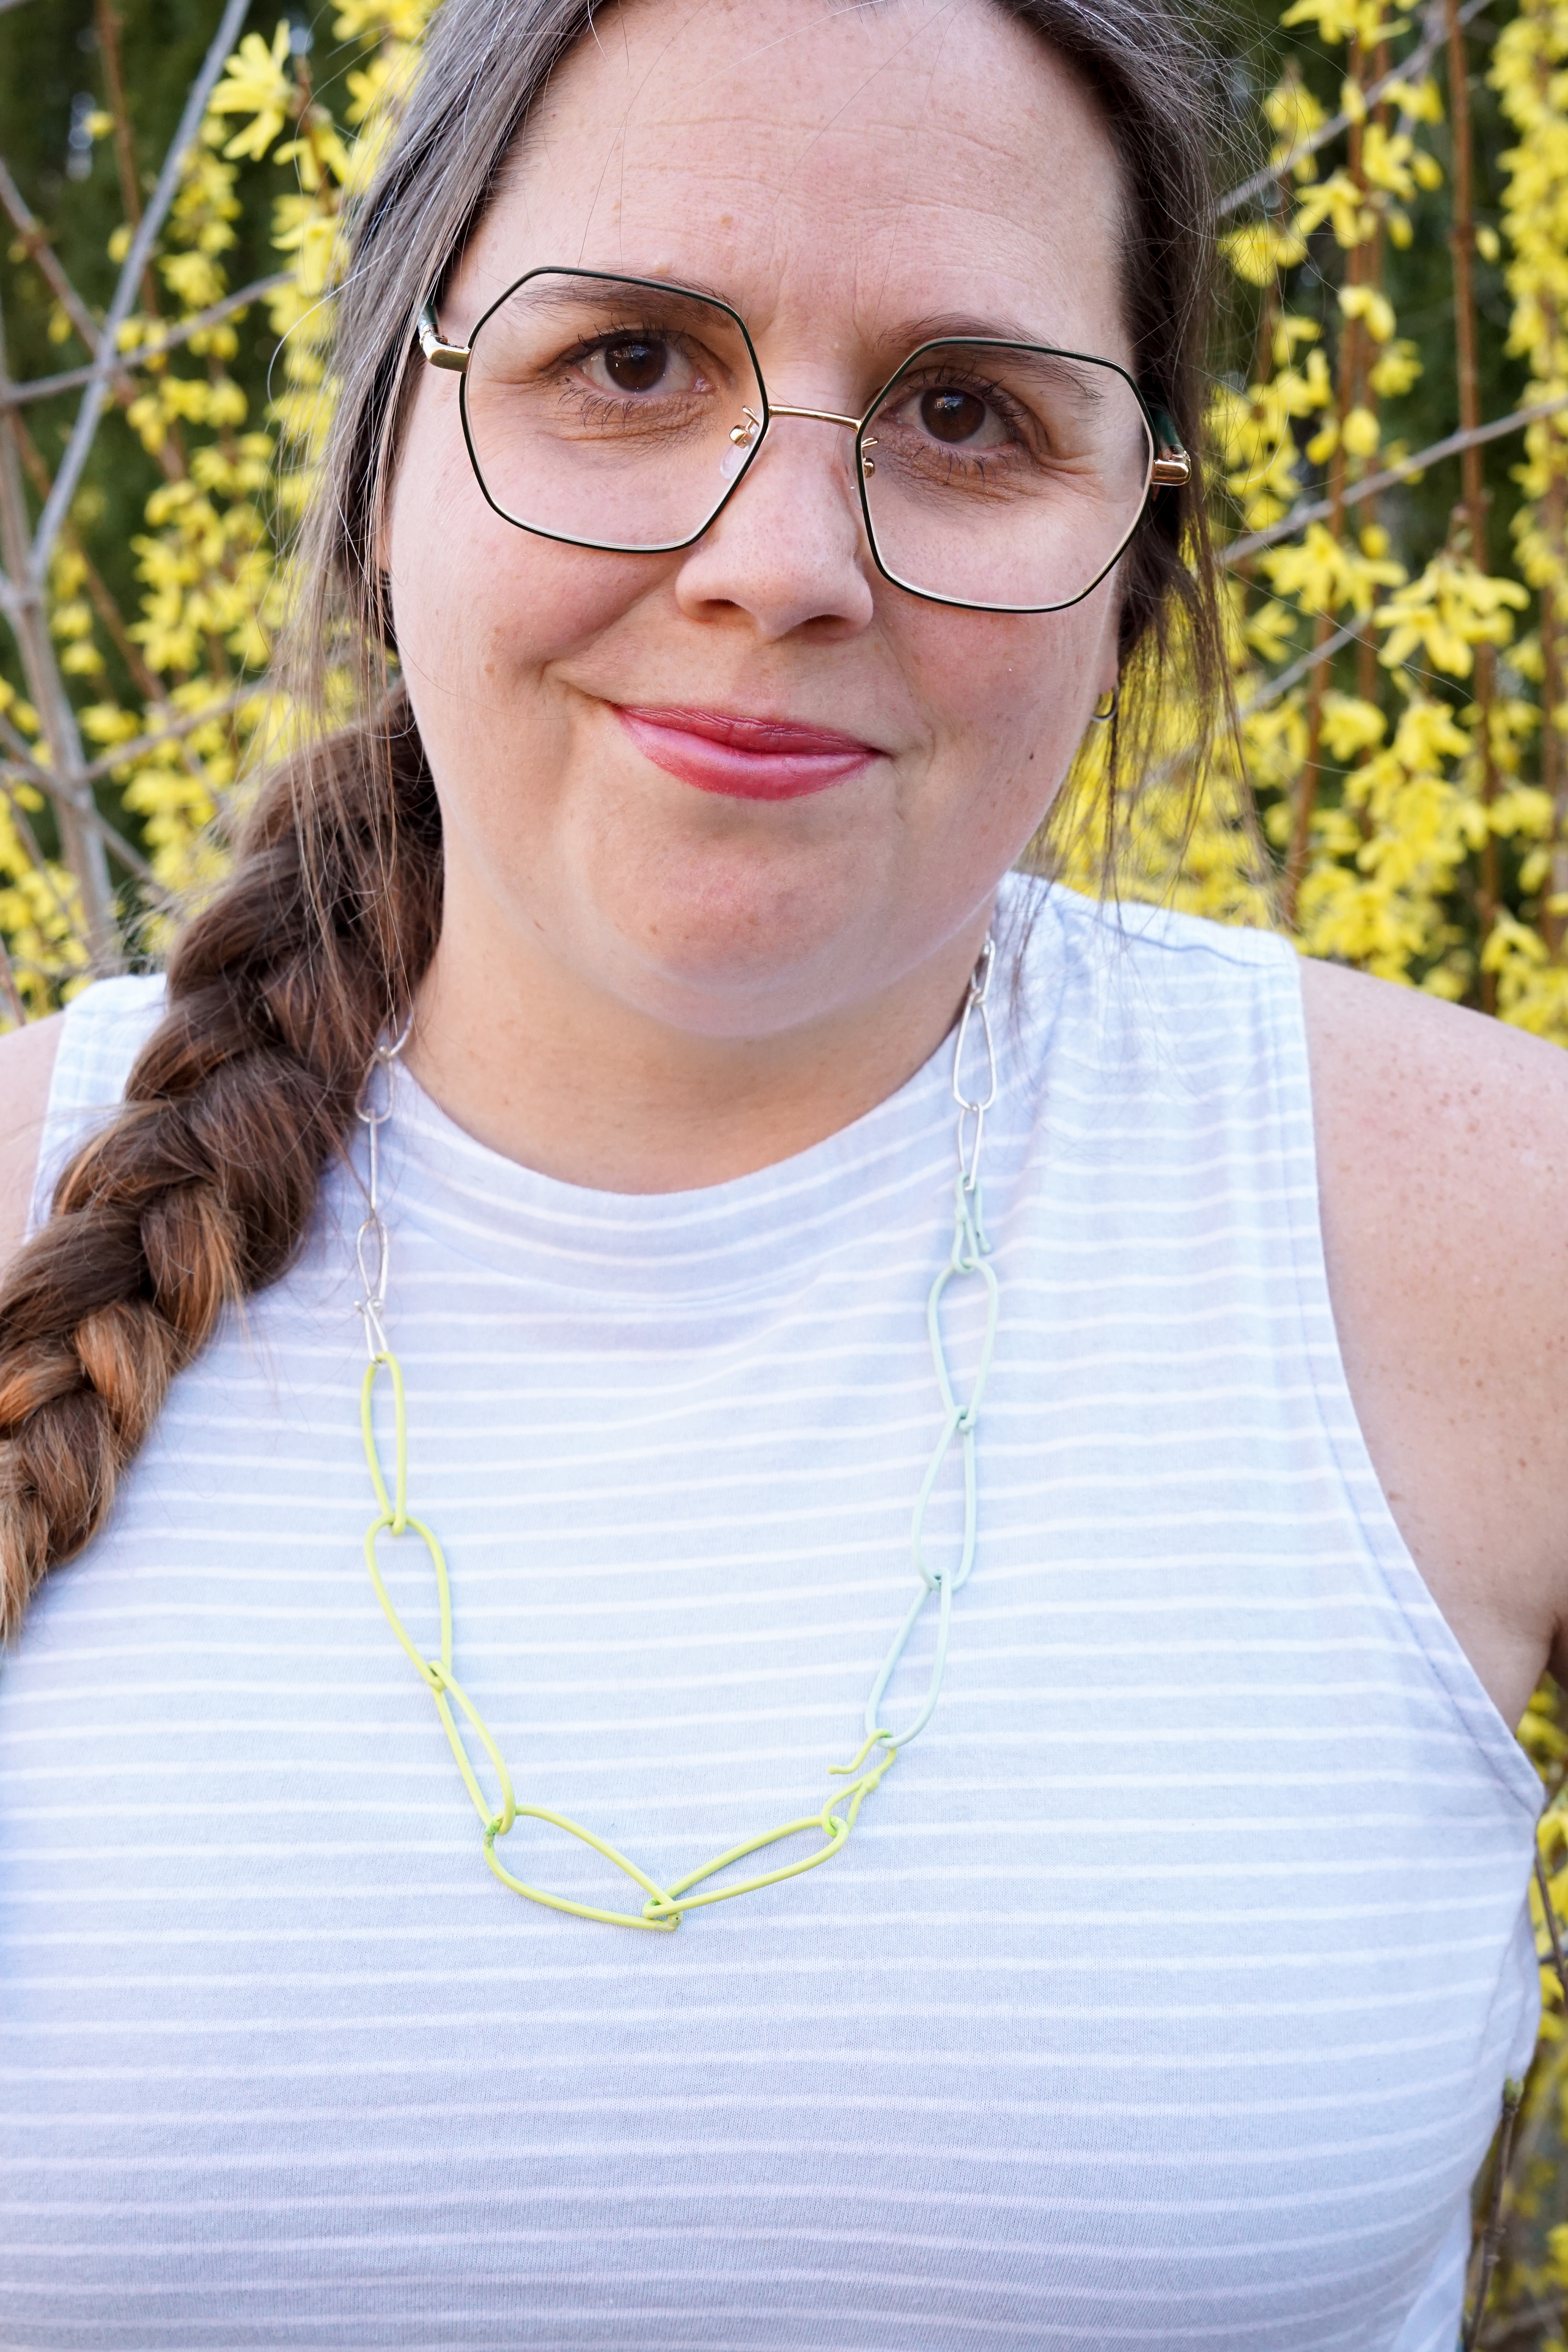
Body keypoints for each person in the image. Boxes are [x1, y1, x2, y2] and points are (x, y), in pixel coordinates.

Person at [2, 0, 1566, 2341]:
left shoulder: (1481, 1241)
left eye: (966, 413)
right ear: (382, 452)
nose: (780, 562)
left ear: (1139, 558)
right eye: (628, 360)